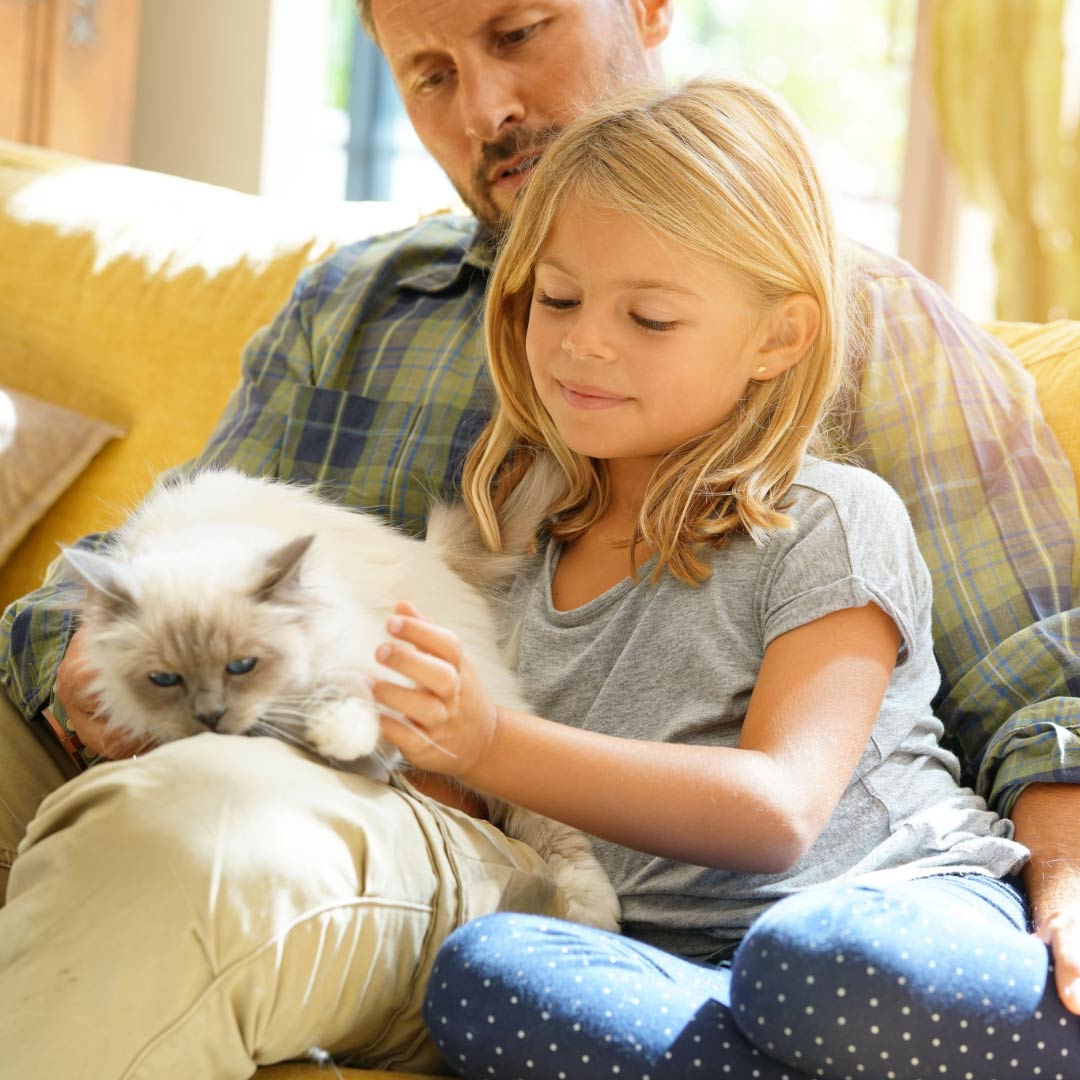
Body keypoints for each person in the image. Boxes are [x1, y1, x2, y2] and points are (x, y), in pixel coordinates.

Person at [0, 0, 1075, 1072]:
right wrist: (90, 667)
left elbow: (1019, 676)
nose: (486, 105)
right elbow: (155, 567)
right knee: (502, 978)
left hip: (830, 889)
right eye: (426, 75)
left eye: (517, 35)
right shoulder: (486, 478)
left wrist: (1067, 879)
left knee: (814, 959)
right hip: (630, 912)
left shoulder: (844, 422)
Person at [363, 75, 1076, 1079]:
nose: (584, 339)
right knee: (484, 975)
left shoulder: (826, 519)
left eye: (650, 318)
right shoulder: (509, 546)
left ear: (777, 337)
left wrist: (490, 742)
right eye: (558, 299)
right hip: (682, 966)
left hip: (900, 912)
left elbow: (778, 810)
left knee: (809, 963)